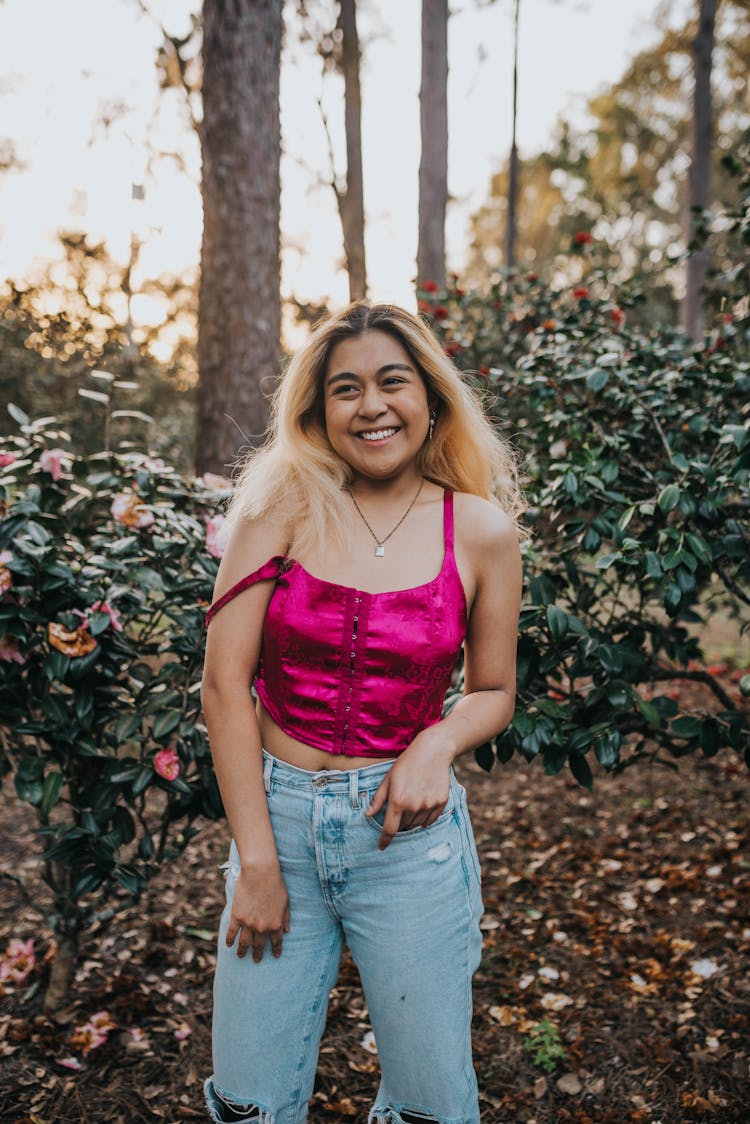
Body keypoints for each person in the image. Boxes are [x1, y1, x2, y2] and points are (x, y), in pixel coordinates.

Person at [201, 301, 523, 1124]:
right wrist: (259, 863)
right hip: (278, 825)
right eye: (346, 389)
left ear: (431, 397)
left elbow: (492, 689)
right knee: (248, 1103)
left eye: (392, 382)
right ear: (316, 413)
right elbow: (222, 685)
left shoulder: (480, 530)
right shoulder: (277, 513)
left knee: (430, 1106)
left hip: (409, 849)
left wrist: (436, 743)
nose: (372, 406)